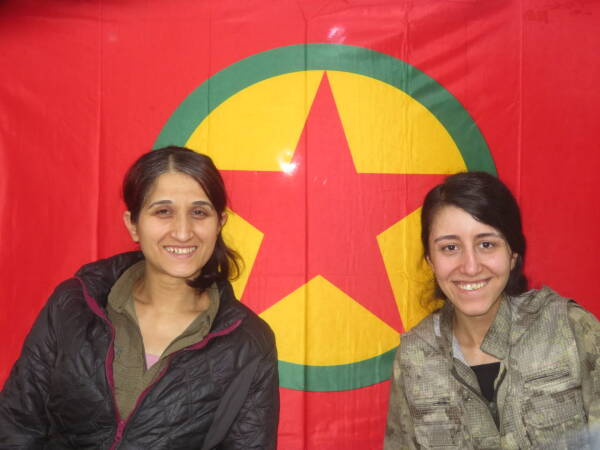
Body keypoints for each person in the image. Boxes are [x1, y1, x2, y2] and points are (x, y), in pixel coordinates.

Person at [0, 146, 279, 449]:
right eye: (163, 212)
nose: (183, 232)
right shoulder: (73, 305)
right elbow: (17, 423)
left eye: (199, 212)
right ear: (132, 224)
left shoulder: (249, 342)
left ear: (219, 223)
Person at [384, 171, 600, 449]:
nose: (470, 266)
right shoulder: (415, 356)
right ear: (430, 260)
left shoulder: (569, 328)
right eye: (450, 247)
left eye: (486, 244)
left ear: (512, 255)